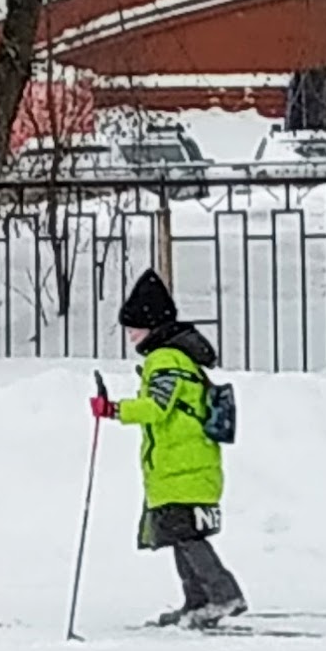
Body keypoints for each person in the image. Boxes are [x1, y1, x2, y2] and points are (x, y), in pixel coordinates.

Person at [90, 269, 246, 628]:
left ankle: (223, 595)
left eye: (134, 327)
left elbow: (157, 408)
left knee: (187, 536)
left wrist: (114, 410)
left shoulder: (165, 360)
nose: (129, 335)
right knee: (179, 535)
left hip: (183, 466)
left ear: (152, 325)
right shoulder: (175, 358)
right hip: (181, 466)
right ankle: (197, 602)